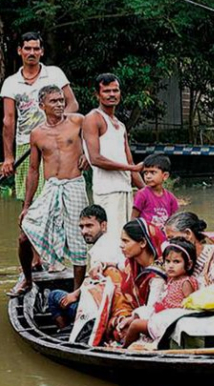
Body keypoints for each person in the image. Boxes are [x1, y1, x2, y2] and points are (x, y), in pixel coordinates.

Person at [11, 85, 89, 297]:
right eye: (54, 101)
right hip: (51, 187)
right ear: (41, 105)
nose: (60, 104)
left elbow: (98, 137)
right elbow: (34, 170)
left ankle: (76, 293)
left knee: (78, 239)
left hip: (74, 185)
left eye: (61, 100)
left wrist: (88, 155)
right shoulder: (37, 133)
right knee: (24, 235)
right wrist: (26, 206)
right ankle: (27, 280)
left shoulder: (77, 121)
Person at [1, 31, 79, 202]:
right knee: (29, 200)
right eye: (27, 48)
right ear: (19, 51)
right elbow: (8, 120)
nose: (32, 53)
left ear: (42, 52)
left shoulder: (55, 74)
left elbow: (72, 104)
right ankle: (26, 228)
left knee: (57, 196)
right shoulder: (11, 83)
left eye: (36, 49)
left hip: (56, 143)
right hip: (25, 145)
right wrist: (8, 157)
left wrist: (56, 125)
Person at [82, 73, 144, 238]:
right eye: (106, 91)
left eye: (115, 91)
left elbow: (130, 162)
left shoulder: (121, 125)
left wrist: (148, 192)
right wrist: (129, 167)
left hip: (125, 189)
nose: (111, 95)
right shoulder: (93, 118)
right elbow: (95, 159)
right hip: (107, 191)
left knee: (126, 239)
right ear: (97, 94)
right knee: (109, 239)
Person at [47, 204, 126, 329]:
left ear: (103, 226)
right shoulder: (115, 242)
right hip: (116, 303)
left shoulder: (101, 250)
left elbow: (97, 283)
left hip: (102, 309)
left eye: (89, 226)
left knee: (52, 296)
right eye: (82, 227)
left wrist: (74, 295)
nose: (84, 231)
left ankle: (67, 333)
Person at [123, 238, 199, 348]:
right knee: (138, 316)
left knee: (136, 325)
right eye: (167, 261)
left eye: (176, 262)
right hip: (163, 316)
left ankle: (123, 348)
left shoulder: (186, 282)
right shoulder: (172, 279)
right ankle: (132, 342)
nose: (170, 265)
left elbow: (190, 306)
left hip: (170, 322)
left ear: (189, 264)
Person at [106, 219, 166, 344]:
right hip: (133, 311)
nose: (121, 245)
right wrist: (103, 264)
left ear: (143, 242)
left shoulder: (157, 276)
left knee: (118, 330)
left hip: (146, 319)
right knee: (109, 273)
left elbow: (150, 311)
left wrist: (130, 319)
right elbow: (118, 265)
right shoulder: (134, 263)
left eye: (125, 241)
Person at [131, 154, 179, 228]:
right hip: (146, 236)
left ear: (165, 176)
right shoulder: (142, 195)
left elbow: (175, 221)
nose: (148, 176)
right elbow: (133, 218)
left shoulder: (171, 198)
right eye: (145, 173)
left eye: (153, 172)